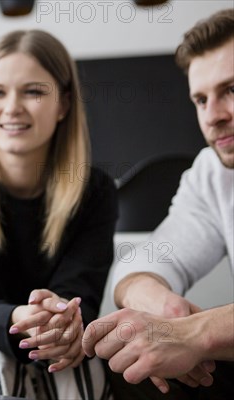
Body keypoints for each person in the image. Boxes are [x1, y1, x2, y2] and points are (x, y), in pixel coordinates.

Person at [0, 29, 118, 399]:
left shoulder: (95, 191)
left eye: (33, 91)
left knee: (81, 368)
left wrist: (57, 325)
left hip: (55, 344)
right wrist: (16, 320)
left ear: (63, 104)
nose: (12, 107)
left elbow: (80, 296)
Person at [82, 8, 234, 399]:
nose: (213, 116)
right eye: (201, 99)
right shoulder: (212, 173)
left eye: (231, 90)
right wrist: (164, 312)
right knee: (134, 367)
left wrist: (197, 334)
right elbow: (142, 262)